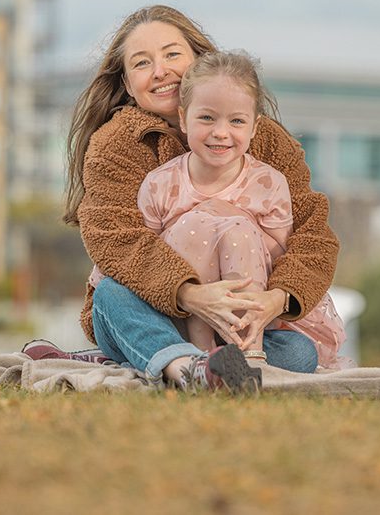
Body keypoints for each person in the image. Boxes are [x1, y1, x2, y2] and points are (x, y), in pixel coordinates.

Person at [58, 5, 339, 391]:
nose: (161, 71)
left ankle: (189, 364)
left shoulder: (265, 140)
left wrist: (275, 300)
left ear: (197, 58)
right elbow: (115, 238)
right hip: (151, 309)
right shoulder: (114, 146)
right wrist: (190, 295)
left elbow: (313, 234)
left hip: (236, 319)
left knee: (298, 353)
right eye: (142, 63)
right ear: (125, 82)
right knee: (111, 296)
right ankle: (188, 368)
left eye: (172, 54)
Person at [129, 50, 347, 365]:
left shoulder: (268, 183)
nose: (221, 132)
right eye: (206, 117)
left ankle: (247, 354)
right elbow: (147, 256)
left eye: (236, 121)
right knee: (114, 296)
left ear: (254, 127)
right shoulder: (161, 183)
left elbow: (277, 255)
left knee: (300, 355)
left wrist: (229, 230)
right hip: (179, 316)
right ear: (183, 118)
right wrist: (203, 232)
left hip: (250, 313)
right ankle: (200, 361)